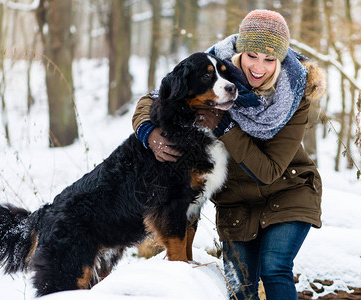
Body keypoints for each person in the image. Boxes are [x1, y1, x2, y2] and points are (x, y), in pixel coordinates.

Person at [132, 9, 326, 300]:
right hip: (235, 203)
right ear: (239, 51)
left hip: (288, 191)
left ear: (280, 60)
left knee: (274, 268)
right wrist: (149, 132)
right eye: (252, 55)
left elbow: (269, 171)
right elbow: (156, 96)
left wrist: (225, 126)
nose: (259, 67)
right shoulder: (214, 73)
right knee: (240, 286)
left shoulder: (294, 97)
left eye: (269, 59)